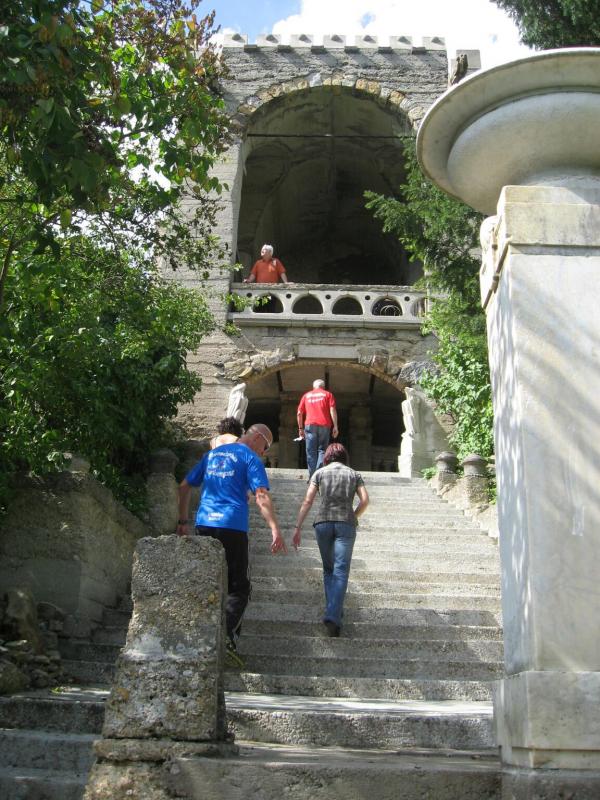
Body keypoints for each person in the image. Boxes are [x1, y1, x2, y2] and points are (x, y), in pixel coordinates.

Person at [177, 424, 287, 667]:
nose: (264, 452)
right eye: (266, 446)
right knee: (239, 587)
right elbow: (261, 496)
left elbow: (184, 486)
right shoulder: (250, 458)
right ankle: (224, 638)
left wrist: (183, 521)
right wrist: (275, 528)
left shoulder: (212, 455)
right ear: (257, 438)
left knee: (205, 580)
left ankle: (194, 636)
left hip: (204, 524)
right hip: (233, 526)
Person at [292, 443, 369, 637]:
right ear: (344, 456)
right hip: (346, 523)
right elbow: (365, 500)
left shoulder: (319, 473)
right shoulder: (354, 474)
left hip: (323, 523)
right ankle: (333, 614)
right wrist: (354, 515)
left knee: (328, 569)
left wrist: (297, 527)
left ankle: (333, 611)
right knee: (341, 570)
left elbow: (308, 500)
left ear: (327, 457)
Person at [296, 379, 339, 477]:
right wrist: (335, 426)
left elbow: (299, 413)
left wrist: (300, 428)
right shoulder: (328, 394)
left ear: (313, 387)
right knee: (322, 450)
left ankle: (312, 477)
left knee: (310, 451)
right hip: (325, 425)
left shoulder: (306, 396)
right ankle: (318, 476)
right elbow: (332, 410)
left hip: (310, 425)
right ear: (323, 387)